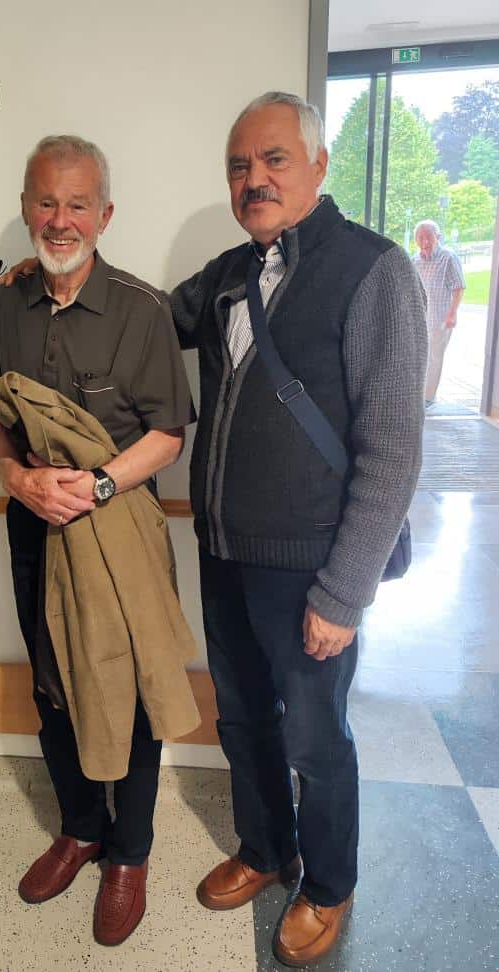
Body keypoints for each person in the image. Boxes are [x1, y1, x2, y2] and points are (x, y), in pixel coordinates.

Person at [170, 92, 427, 966]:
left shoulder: (371, 269)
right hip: (223, 552)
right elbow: (147, 317)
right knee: (242, 719)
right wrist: (60, 271)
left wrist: (343, 594)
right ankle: (264, 848)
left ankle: (327, 884)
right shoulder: (227, 273)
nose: (254, 178)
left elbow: (391, 452)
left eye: (274, 159)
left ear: (318, 164)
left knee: (314, 741)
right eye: (239, 165)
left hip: (311, 568)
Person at [0, 135, 196, 946]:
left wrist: (97, 485)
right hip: (33, 520)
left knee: (127, 686)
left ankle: (129, 854)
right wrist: (19, 480)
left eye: (77, 204)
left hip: (115, 525)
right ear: (25, 207)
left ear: (105, 214)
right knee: (51, 683)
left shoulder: (142, 309)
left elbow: (167, 436)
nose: (60, 220)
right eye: (46, 202)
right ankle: (79, 830)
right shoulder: (1, 307)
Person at [412, 219, 465, 406]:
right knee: (420, 356)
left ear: (438, 237)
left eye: (429, 236)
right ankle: (418, 393)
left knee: (435, 358)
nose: (425, 241)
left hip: (440, 319)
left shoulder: (448, 257)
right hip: (421, 319)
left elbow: (458, 287)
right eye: (420, 237)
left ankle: (428, 397)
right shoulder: (415, 260)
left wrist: (452, 313)